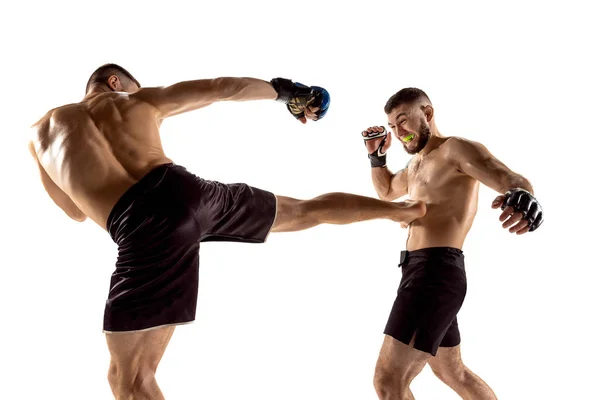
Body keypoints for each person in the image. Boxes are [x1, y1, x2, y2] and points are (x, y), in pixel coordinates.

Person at [27, 63, 426, 399]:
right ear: (115, 82)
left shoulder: (38, 135)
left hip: (141, 225)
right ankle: (399, 210)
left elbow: (74, 213)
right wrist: (288, 93)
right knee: (302, 211)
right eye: (133, 85)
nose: (138, 90)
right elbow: (221, 89)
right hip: (187, 192)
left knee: (128, 379)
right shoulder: (135, 101)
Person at [361, 88, 544, 400]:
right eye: (393, 126)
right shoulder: (416, 165)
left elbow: (508, 177)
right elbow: (387, 191)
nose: (399, 132)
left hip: (434, 274)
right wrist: (376, 156)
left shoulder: (453, 150)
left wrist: (522, 195)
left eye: (403, 121)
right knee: (451, 370)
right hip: (420, 272)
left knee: (388, 381)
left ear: (428, 114)